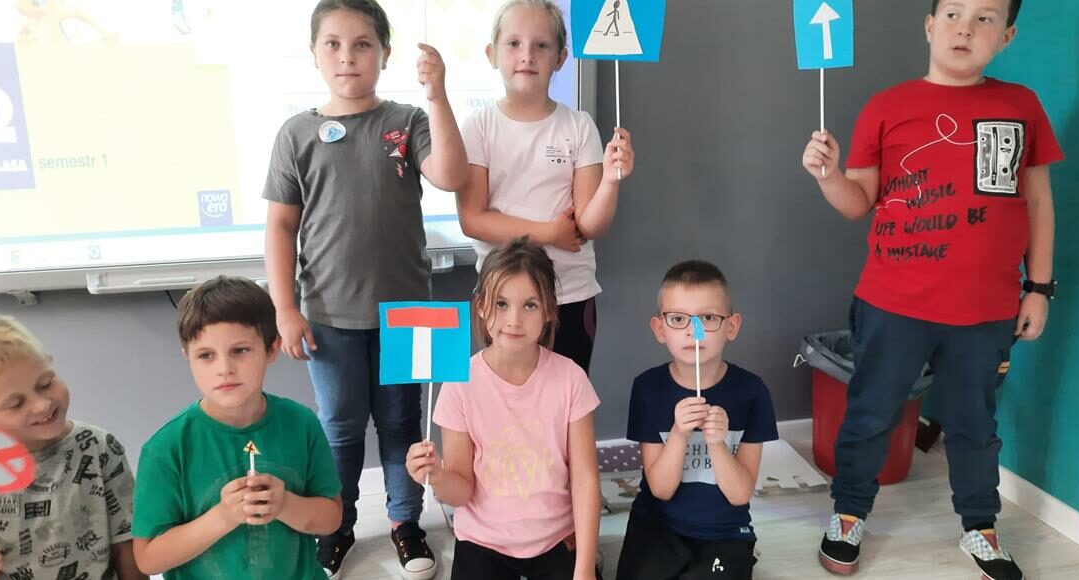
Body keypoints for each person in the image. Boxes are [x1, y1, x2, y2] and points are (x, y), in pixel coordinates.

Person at [800, 1, 1062, 577]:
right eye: (953, 13)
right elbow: (857, 202)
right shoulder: (887, 107)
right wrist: (828, 175)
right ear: (929, 25)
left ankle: (980, 526)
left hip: (986, 310)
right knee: (870, 413)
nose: (965, 27)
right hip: (893, 304)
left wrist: (1039, 287)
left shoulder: (1020, 106)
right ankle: (848, 514)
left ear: (1007, 35)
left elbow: (1038, 201)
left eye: (985, 18)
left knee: (975, 425)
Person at [262, 0, 469, 577]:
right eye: (332, 44)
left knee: (404, 424)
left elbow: (452, 175)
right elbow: (280, 227)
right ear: (314, 53)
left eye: (362, 44)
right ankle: (338, 524)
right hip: (328, 315)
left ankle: (406, 523)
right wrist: (284, 308)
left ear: (385, 52)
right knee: (340, 428)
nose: (347, 56)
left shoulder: (407, 120)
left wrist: (438, 95)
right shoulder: (296, 133)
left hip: (410, 314)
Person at [406, 237, 601, 580]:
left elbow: (585, 480)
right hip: (483, 542)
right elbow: (461, 491)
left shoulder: (571, 379)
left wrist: (584, 568)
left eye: (530, 305)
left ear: (549, 311)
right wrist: (435, 474)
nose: (514, 320)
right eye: (501, 304)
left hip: (555, 538)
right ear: (481, 307)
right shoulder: (459, 385)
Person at [456, 0, 635, 374]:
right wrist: (550, 233)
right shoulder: (479, 127)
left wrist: (610, 180)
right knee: (506, 401)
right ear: (491, 54)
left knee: (566, 398)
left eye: (541, 45)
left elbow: (589, 225)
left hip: (568, 295)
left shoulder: (579, 126)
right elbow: (473, 220)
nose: (527, 55)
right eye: (513, 44)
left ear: (560, 58)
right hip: (503, 299)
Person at [131, 276, 343, 579]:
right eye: (206, 355)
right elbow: (149, 559)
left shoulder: (302, 423)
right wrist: (223, 516)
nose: (224, 369)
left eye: (240, 350)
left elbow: (331, 518)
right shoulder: (165, 449)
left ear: (271, 349)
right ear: (188, 358)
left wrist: (284, 504)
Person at [0, 315, 145, 580]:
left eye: (46, 383)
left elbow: (127, 546)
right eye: (16, 403)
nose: (42, 405)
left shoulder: (100, 448)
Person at [615, 260, 778, 580]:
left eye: (708, 318)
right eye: (678, 319)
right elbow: (660, 489)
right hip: (658, 526)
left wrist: (717, 444)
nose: (693, 331)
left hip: (724, 532)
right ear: (659, 329)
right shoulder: (647, 388)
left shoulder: (752, 391)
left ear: (731, 326)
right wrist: (678, 434)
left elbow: (740, 494)